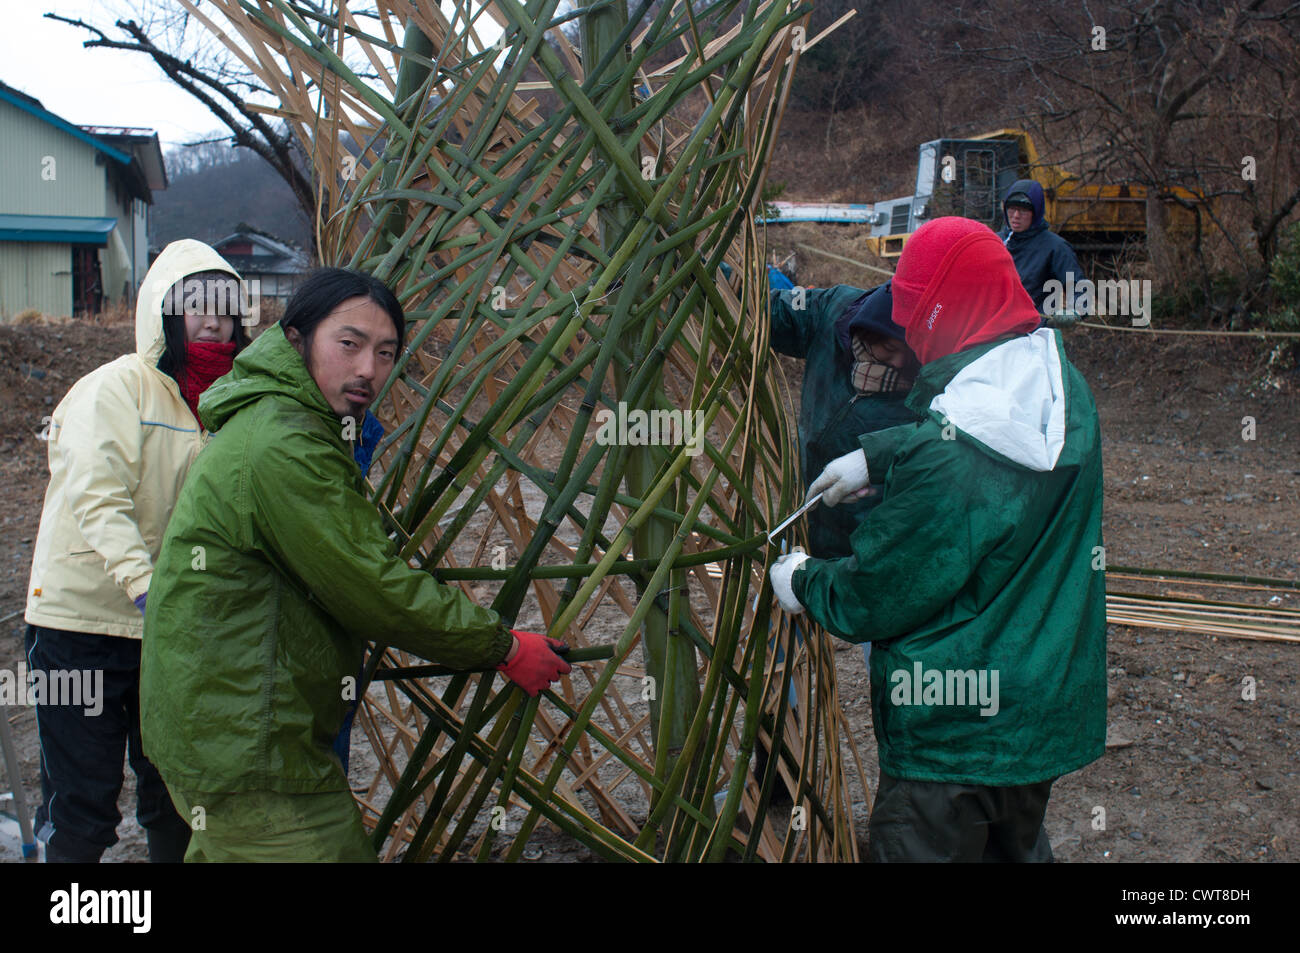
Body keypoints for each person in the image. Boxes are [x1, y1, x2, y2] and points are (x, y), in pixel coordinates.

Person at [139, 268, 571, 862]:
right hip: (247, 742)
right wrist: (502, 646)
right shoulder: (281, 445)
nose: (368, 368)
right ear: (296, 340)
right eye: (349, 344)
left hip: (229, 727)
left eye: (386, 352)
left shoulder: (295, 423)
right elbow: (370, 585)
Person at [769, 217, 1106, 862]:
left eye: (916, 311)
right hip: (1035, 715)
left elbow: (879, 592)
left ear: (939, 313)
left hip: (950, 738)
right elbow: (993, 458)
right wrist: (883, 453)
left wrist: (804, 580)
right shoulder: (1059, 387)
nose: (911, 331)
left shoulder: (951, 457)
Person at [24, 239, 251, 862]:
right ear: (163, 313)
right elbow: (96, 495)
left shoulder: (229, 406)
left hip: (172, 629)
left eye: (226, 307)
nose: (213, 319)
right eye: (196, 304)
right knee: (83, 801)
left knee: (173, 789)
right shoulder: (115, 389)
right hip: (83, 623)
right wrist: (145, 584)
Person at [999, 179, 1085, 316]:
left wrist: (1075, 311)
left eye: (1023, 211)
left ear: (1036, 212)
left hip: (1035, 331)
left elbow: (1079, 288)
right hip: (995, 329)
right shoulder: (995, 241)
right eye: (1012, 209)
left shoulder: (1055, 247)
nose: (1015, 216)